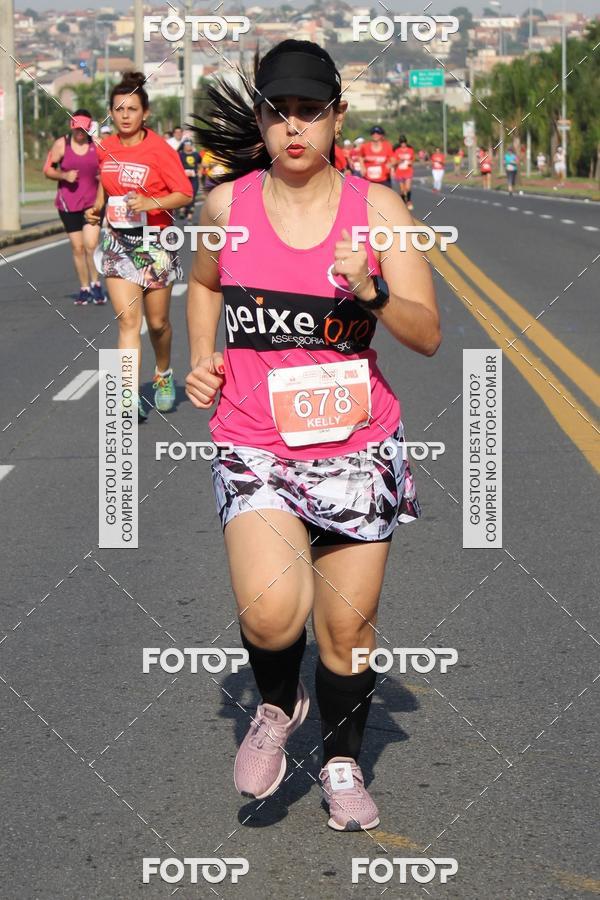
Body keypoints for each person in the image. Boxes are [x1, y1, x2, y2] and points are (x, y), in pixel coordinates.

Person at [185, 38, 440, 832]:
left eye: (309, 111)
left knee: (346, 633)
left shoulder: (382, 210)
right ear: (260, 119)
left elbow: (427, 332)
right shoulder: (228, 207)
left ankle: (339, 764)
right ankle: (272, 703)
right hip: (255, 442)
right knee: (270, 615)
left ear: (337, 117)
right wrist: (202, 358)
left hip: (359, 450)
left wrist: (370, 293)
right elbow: (202, 282)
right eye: (278, 112)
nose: (293, 127)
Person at [85, 72, 193, 420]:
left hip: (156, 242)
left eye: (132, 108)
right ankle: (128, 393)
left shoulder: (159, 149)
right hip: (117, 241)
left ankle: (163, 373)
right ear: (111, 113)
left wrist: (149, 203)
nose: (125, 115)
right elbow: (106, 182)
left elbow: (184, 193)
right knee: (128, 321)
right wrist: (98, 206)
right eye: (119, 109)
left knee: (158, 323)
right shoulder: (106, 146)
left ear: (145, 112)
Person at [43, 109, 106, 305]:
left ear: (88, 128)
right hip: (67, 204)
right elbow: (48, 169)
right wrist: (63, 175)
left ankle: (96, 284)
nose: (79, 132)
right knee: (78, 248)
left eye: (83, 129)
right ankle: (84, 287)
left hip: (92, 204)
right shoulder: (62, 144)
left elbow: (108, 169)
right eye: (76, 128)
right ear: (72, 127)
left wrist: (102, 179)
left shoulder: (96, 145)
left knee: (91, 245)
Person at [178, 137, 202, 221]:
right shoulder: (180, 155)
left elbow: (200, 164)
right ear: (183, 146)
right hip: (183, 178)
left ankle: (189, 216)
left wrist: (199, 173)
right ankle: (182, 208)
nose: (189, 146)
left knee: (193, 195)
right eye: (187, 145)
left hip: (194, 178)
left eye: (190, 145)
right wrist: (182, 172)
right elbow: (177, 166)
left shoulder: (196, 154)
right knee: (184, 194)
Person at [393, 134, 415, 210]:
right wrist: (399, 161)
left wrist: (410, 162)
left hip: (408, 171)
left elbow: (412, 160)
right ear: (400, 143)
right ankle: (403, 202)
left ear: (406, 142)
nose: (403, 144)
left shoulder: (410, 150)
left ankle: (408, 201)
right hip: (399, 172)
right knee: (402, 190)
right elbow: (394, 161)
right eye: (401, 143)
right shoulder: (397, 151)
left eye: (404, 142)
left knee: (408, 188)